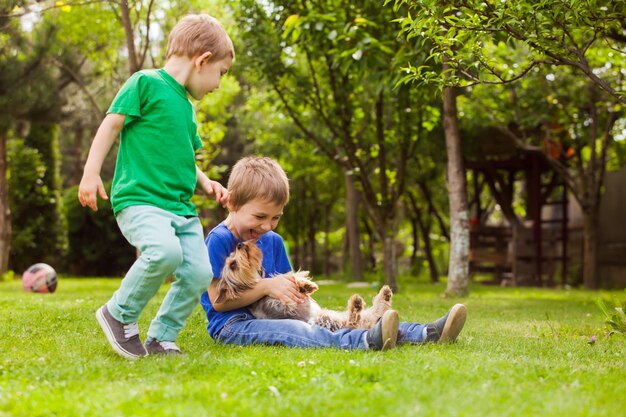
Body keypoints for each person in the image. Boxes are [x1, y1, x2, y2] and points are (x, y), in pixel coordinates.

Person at [78, 14, 234, 359]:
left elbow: (183, 157)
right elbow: (111, 125)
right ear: (203, 60)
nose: (219, 84)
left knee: (198, 273)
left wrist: (206, 182)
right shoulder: (144, 83)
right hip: (141, 200)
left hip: (180, 208)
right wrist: (91, 173)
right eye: (221, 74)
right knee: (165, 252)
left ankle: (162, 337)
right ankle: (118, 313)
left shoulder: (187, 110)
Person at [200, 156, 467, 350]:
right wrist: (267, 286)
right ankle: (363, 340)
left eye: (275, 218)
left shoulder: (273, 240)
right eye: (260, 216)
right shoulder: (219, 240)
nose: (267, 226)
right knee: (298, 330)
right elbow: (219, 302)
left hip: (278, 314)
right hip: (234, 324)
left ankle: (426, 332)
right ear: (232, 203)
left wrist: (297, 294)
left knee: (326, 320)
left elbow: (289, 288)